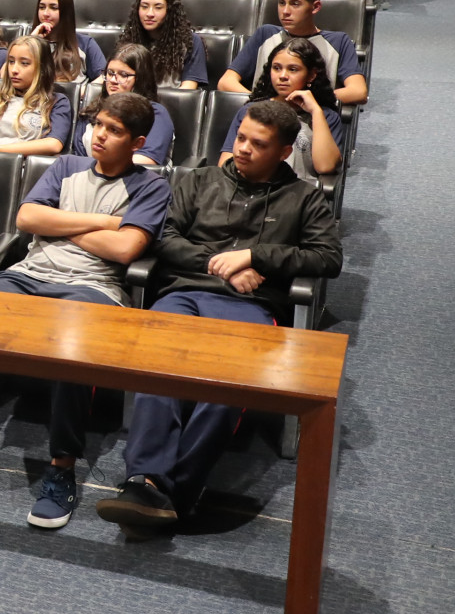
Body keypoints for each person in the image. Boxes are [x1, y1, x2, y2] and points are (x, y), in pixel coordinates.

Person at [98, 100, 343, 531]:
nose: (243, 148)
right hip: (185, 294)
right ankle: (147, 478)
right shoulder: (202, 180)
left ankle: (171, 490)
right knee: (158, 368)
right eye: (241, 137)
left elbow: (328, 258)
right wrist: (226, 261)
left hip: (250, 307)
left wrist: (258, 257)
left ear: (284, 151)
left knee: (223, 389)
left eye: (258, 144)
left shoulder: (304, 198)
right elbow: (165, 238)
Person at [0, 92, 170, 527]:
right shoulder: (66, 166)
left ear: (137, 142)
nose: (99, 135)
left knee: (72, 341)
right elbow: (27, 219)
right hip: (30, 273)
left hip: (93, 286)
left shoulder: (152, 187)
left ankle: (62, 466)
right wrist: (102, 222)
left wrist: (61, 223)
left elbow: (125, 250)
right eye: (98, 124)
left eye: (114, 131)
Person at [219, 0, 367, 105]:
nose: (285, 11)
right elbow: (226, 82)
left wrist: (302, 100)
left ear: (315, 7)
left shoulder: (338, 41)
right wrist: (263, 102)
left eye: (295, 4)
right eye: (281, 2)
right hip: (264, 116)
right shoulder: (265, 34)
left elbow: (358, 91)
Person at [221, 36, 343, 181]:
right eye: (277, 68)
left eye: (293, 69)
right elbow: (225, 165)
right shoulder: (251, 111)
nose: (283, 76)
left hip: (297, 195)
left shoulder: (325, 116)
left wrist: (315, 112)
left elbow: (326, 166)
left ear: (311, 75)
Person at [0, 34, 72, 156]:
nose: (14, 70)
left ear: (42, 68)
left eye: (24, 63)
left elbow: (53, 144)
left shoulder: (56, 102)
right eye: (11, 62)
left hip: (25, 168)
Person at [76, 45, 174, 167]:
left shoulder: (155, 114)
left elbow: (146, 161)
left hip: (137, 183)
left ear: (140, 79)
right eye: (110, 73)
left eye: (123, 75)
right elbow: (78, 158)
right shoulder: (91, 111)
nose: (113, 80)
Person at [115, 0, 210, 89]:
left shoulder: (191, 42)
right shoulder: (129, 39)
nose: (149, 14)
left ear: (170, 12)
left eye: (158, 8)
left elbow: (188, 89)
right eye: (144, 7)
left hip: (172, 104)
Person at [32, 0, 106, 82]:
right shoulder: (30, 41)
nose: (45, 13)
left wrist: (83, 91)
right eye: (41, 7)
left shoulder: (85, 43)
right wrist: (32, 41)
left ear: (66, 12)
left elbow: (104, 78)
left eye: (53, 8)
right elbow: (7, 74)